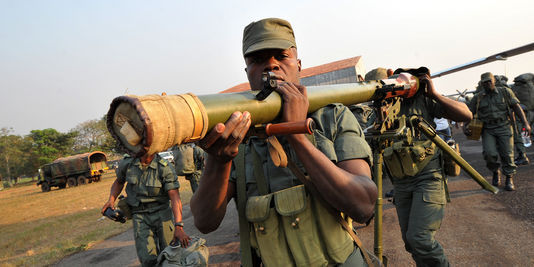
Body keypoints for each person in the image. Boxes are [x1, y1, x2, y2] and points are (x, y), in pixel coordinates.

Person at [190, 18, 377, 266]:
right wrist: (218, 160)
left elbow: (363, 205)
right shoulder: (240, 136)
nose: (271, 66)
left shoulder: (333, 117)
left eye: (281, 56)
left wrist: (297, 135)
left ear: (298, 65)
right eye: (257, 60)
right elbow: (205, 222)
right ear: (247, 72)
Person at [378, 67, 472, 267]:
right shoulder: (384, 106)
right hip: (402, 182)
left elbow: (466, 115)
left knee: (420, 239)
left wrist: (435, 94)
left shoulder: (426, 101)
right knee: (411, 243)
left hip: (428, 177)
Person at [101, 153, 191, 267]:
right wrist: (111, 200)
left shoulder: (164, 167)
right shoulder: (128, 163)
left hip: (162, 214)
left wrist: (179, 226)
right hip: (139, 215)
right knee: (147, 259)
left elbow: (175, 197)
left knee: (170, 256)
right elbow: (119, 182)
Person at [467, 72, 531, 191]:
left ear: (494, 81)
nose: (487, 84)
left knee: (507, 154)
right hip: (488, 129)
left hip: (504, 126)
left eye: (489, 81)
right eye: (484, 82)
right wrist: (464, 124)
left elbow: (516, 107)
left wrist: (525, 123)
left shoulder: (505, 92)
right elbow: (469, 112)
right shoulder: (478, 97)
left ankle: (509, 177)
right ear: (482, 84)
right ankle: (495, 171)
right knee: (489, 154)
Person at [511, 73, 534, 165]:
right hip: (531, 113)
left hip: (522, 115)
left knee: (520, 134)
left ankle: (522, 156)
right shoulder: (531, 87)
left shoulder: (517, 88)